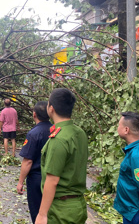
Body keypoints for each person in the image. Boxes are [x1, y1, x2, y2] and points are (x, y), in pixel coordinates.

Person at [35, 88, 88, 224]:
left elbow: (52, 180)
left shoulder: (58, 139)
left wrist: (42, 214)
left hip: (61, 210)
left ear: (51, 108)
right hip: (78, 205)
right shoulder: (80, 132)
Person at [16, 101, 52, 223]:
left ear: (34, 114)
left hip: (36, 179)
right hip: (53, 177)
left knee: (38, 212)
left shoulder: (33, 134)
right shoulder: (56, 130)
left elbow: (28, 161)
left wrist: (20, 182)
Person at [114, 112, 139, 224]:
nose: (117, 128)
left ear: (126, 130)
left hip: (138, 213)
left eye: (119, 125)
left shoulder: (137, 156)